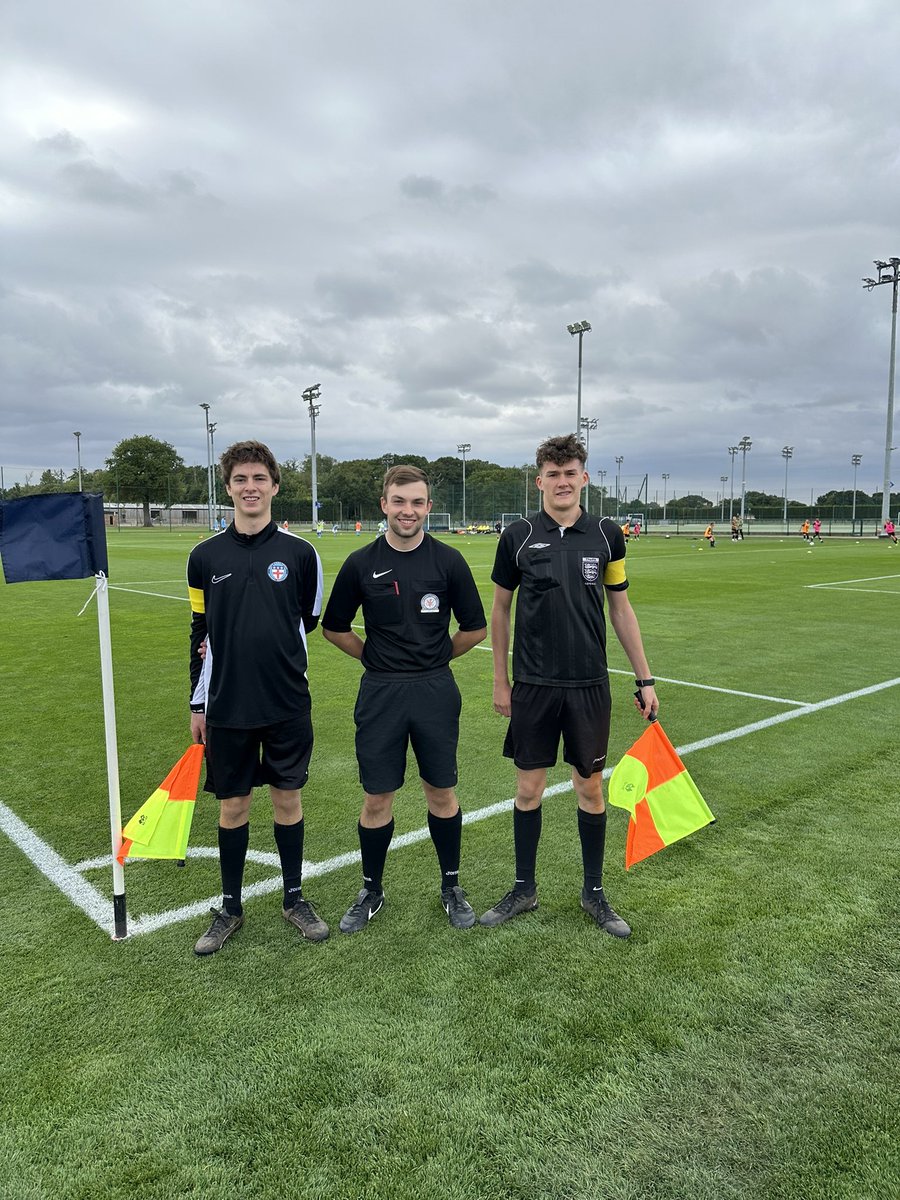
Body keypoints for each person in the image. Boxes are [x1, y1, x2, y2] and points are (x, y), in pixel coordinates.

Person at [482, 433, 658, 939]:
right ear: (539, 481)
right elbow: (500, 609)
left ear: (584, 477)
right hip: (533, 685)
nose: (562, 481)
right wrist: (501, 680)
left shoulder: (607, 535)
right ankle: (524, 889)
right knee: (528, 789)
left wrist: (644, 677)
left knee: (590, 788)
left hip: (588, 685)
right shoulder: (517, 536)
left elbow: (621, 608)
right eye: (552, 474)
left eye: (570, 473)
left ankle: (594, 893)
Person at [321, 465, 487, 933]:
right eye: (399, 501)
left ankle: (451, 886)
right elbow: (333, 627)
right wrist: (373, 658)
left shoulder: (449, 561)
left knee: (441, 791)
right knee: (377, 796)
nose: (407, 511)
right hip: (381, 692)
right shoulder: (360, 562)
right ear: (384, 505)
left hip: (435, 690)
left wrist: (436, 658)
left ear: (428, 507)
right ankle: (371, 889)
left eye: (416, 502)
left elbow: (475, 628)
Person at [187, 440, 328, 956]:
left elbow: (307, 620)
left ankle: (294, 899)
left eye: (259, 479)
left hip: (286, 701)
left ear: (274, 486)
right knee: (234, 806)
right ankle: (230, 907)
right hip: (227, 704)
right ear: (228, 488)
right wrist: (197, 704)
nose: (251, 488)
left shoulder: (300, 553)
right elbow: (199, 631)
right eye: (241, 480)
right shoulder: (204, 557)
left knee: (288, 799)